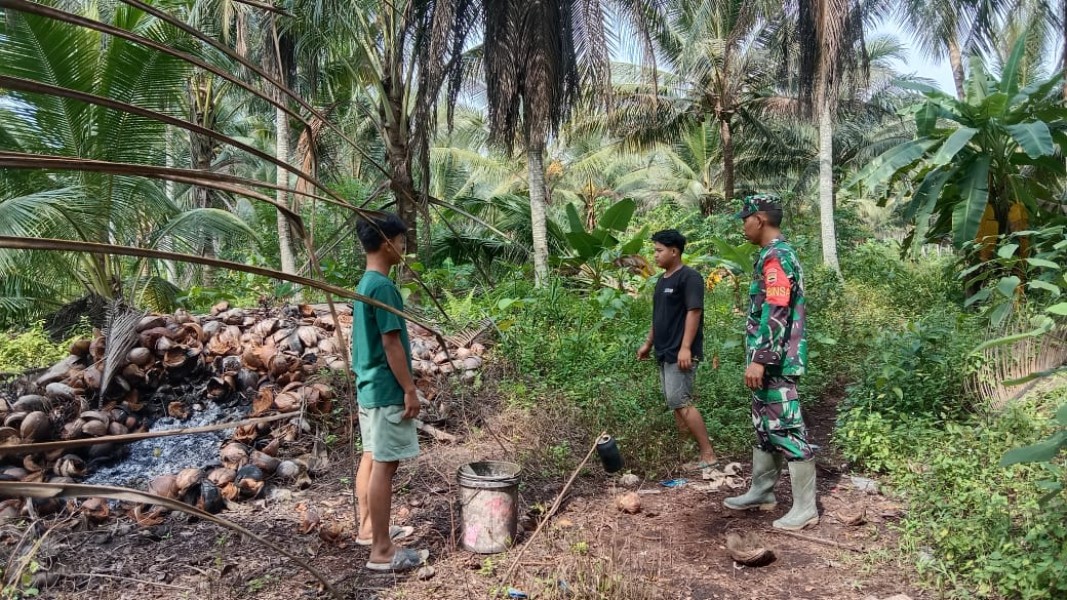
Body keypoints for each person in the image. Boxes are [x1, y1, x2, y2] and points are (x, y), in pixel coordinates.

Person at [723, 194, 818, 531]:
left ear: (759, 219)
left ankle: (806, 508)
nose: (743, 226)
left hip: (776, 362)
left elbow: (776, 311)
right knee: (765, 428)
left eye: (744, 219)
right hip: (769, 361)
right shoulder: (769, 255)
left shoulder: (777, 256)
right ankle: (762, 493)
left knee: (787, 428)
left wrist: (760, 359)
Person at [352, 212, 429, 571]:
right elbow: (391, 342)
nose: (403, 247)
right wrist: (409, 389)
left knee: (371, 456)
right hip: (385, 389)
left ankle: (369, 530)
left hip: (368, 386)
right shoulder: (383, 287)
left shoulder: (366, 283)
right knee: (386, 464)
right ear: (387, 242)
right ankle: (382, 551)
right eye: (401, 241)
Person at [637, 229, 719, 472]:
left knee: (680, 401)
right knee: (675, 403)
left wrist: (685, 348)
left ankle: (709, 454)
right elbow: (658, 317)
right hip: (664, 350)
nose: (655, 256)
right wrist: (648, 343)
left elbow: (694, 311)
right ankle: (685, 455)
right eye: (655, 250)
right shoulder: (662, 281)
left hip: (680, 352)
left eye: (659, 251)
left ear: (674, 251)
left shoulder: (689, 278)